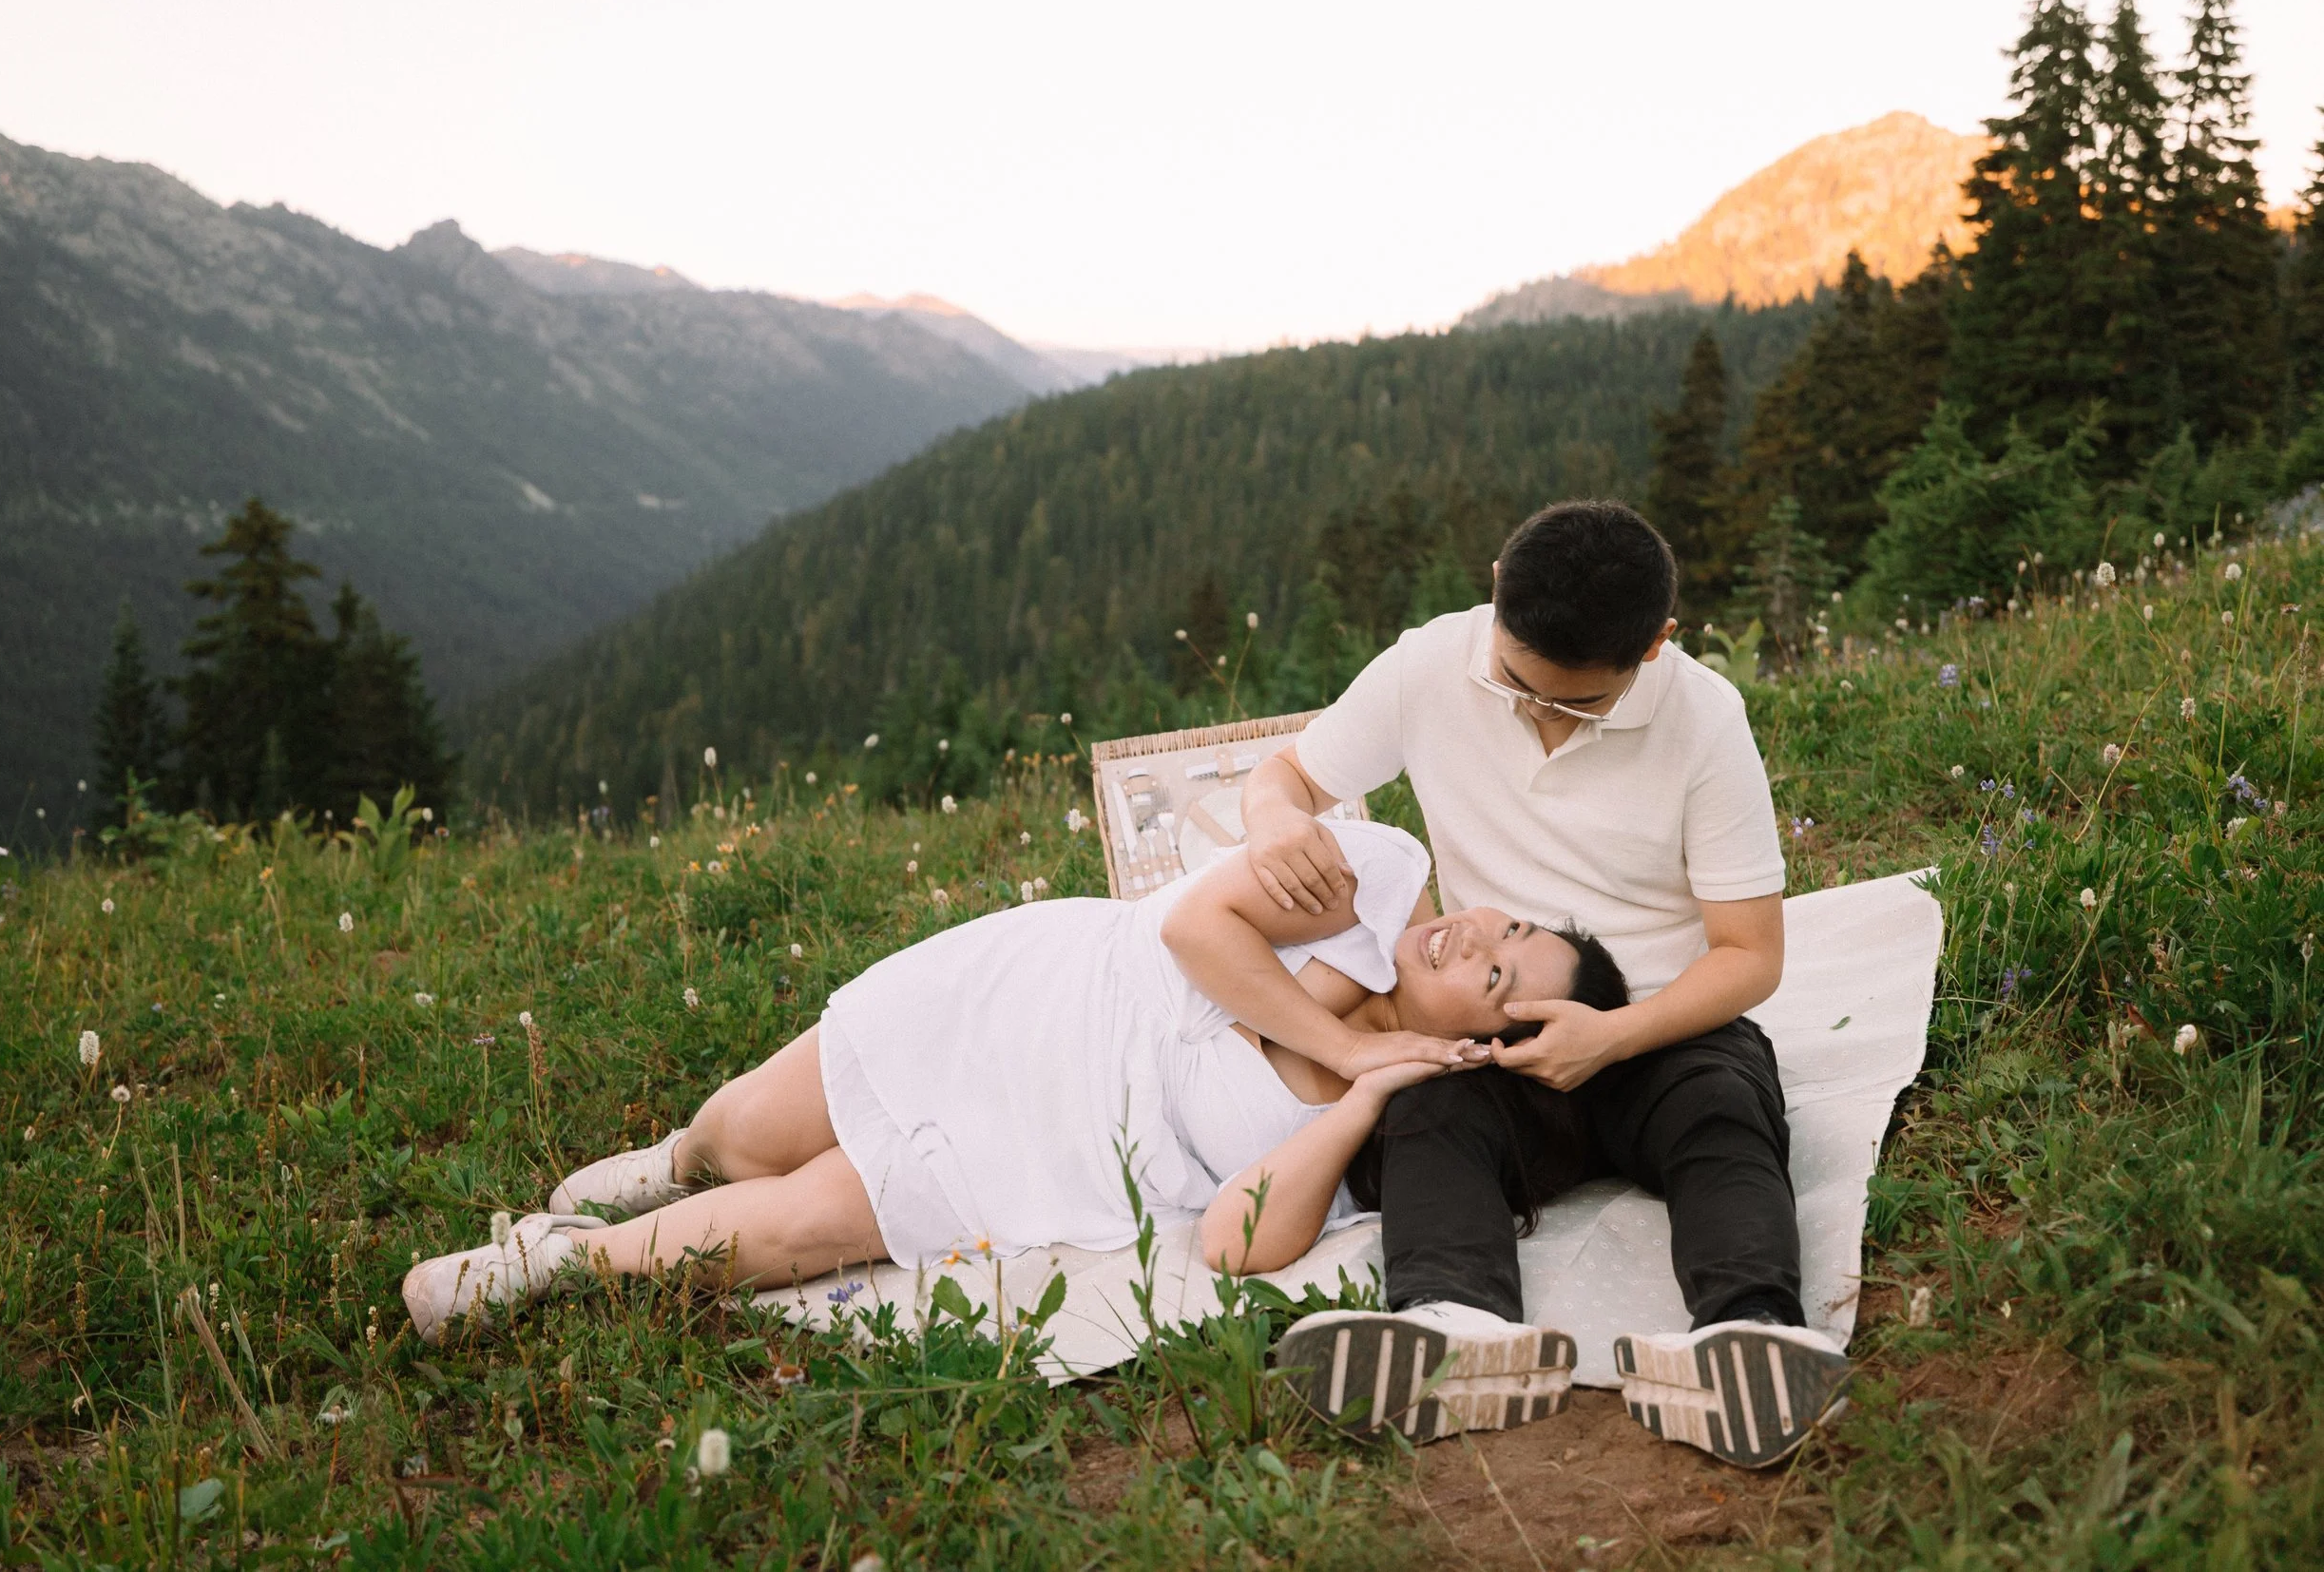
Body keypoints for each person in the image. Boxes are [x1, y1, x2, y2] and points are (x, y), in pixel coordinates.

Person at [402, 816, 1629, 1408]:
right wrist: (1341, 1034)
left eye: (1497, 974)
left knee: (791, 1228)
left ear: (1481, 1047)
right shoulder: (1376, 874)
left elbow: (1232, 1242)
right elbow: (1192, 924)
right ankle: (676, 1154)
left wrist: (1359, 1093)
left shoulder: (1396, 1118)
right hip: (1049, 992)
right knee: (743, 1132)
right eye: (1514, 926)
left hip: (1053, 1139)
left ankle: (550, 1262)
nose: (1477, 933)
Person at [1231, 498, 1851, 1468]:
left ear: (1656, 643)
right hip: (1494, 1031)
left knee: (1720, 1106)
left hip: (1655, 1023)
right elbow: (1287, 775)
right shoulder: (1429, 665)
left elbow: (1748, 953)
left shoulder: (1704, 720)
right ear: (1495, 591)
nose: (1538, 711)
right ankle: (1453, 1328)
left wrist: (1617, 1035)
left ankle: (1750, 1337)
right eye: (1518, 681)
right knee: (1425, 1110)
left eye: (1577, 701)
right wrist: (1274, 817)